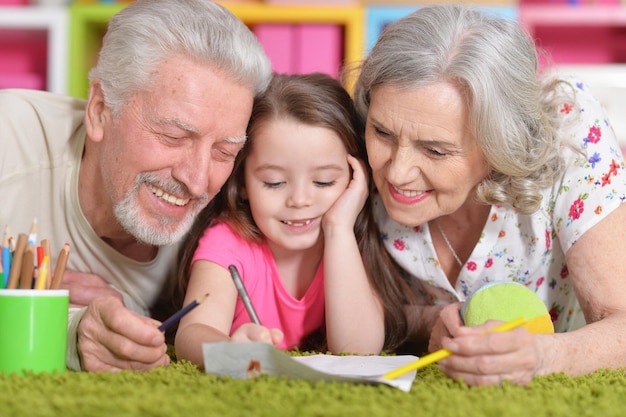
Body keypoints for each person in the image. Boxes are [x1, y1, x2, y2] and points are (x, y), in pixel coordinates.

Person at [351, 4, 626, 386]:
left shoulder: (571, 131)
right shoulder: (345, 142)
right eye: (382, 133)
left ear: (501, 145)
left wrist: (541, 356)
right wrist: (431, 324)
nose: (396, 172)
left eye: (435, 150)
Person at [0, 0, 272, 372]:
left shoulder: (240, 207)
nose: (196, 181)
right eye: (173, 136)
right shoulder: (9, 140)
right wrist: (62, 327)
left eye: (225, 151)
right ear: (100, 110)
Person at [175, 73, 411, 367]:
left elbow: (359, 351)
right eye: (274, 183)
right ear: (243, 183)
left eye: (323, 182)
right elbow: (191, 333)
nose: (299, 200)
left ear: (355, 179)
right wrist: (228, 351)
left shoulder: (351, 241)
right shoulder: (227, 242)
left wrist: (338, 229)